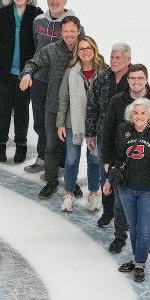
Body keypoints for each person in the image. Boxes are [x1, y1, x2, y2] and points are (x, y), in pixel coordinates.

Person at [100, 64, 150, 255]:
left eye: (140, 78)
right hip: (122, 162)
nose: (136, 82)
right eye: (132, 78)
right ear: (128, 80)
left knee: (148, 204)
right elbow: (107, 132)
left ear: (146, 79)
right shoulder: (116, 101)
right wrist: (107, 160)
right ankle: (120, 235)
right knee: (120, 204)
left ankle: (146, 237)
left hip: (149, 165)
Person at [104, 98, 150, 283]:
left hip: (149, 191)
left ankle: (140, 263)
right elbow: (118, 158)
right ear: (130, 115)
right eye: (136, 113)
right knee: (134, 228)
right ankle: (137, 261)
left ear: (149, 115)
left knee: (144, 230)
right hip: (126, 189)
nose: (139, 116)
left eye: (143, 113)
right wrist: (110, 180)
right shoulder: (124, 130)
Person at [21, 15, 82, 200]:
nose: (69, 35)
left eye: (72, 31)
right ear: (60, 32)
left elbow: (98, 67)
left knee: (73, 148)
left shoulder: (85, 49)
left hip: (76, 109)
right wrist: (27, 74)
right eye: (65, 32)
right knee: (52, 145)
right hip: (54, 106)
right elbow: (33, 61)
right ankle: (51, 181)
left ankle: (71, 181)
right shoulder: (52, 49)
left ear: (78, 31)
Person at [0, 0, 42, 163]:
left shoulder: (36, 15)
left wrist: (32, 72)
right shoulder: (3, 13)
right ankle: (0, 144)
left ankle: (21, 145)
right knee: (3, 110)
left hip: (25, 74)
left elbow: (40, 47)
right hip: (3, 72)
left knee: (22, 110)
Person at [26, 0, 82, 174]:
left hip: (64, 84)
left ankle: (61, 164)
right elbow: (36, 46)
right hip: (41, 81)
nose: (55, 1)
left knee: (63, 124)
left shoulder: (74, 23)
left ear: (65, 0)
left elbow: (83, 50)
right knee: (41, 122)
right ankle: (43, 158)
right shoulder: (38, 21)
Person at [56, 35, 107, 212]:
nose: (85, 52)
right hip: (73, 123)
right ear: (77, 51)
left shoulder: (104, 71)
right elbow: (63, 98)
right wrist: (60, 123)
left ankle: (94, 193)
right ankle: (69, 193)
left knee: (94, 161)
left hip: (96, 125)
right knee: (71, 160)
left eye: (89, 48)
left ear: (94, 50)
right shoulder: (71, 71)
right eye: (82, 48)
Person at [88, 42, 133, 227]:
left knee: (126, 176)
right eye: (112, 57)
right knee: (104, 175)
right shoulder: (103, 78)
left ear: (128, 60)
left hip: (128, 137)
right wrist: (90, 133)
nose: (113, 61)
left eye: (118, 58)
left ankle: (126, 215)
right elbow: (92, 106)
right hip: (104, 136)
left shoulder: (135, 79)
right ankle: (108, 211)